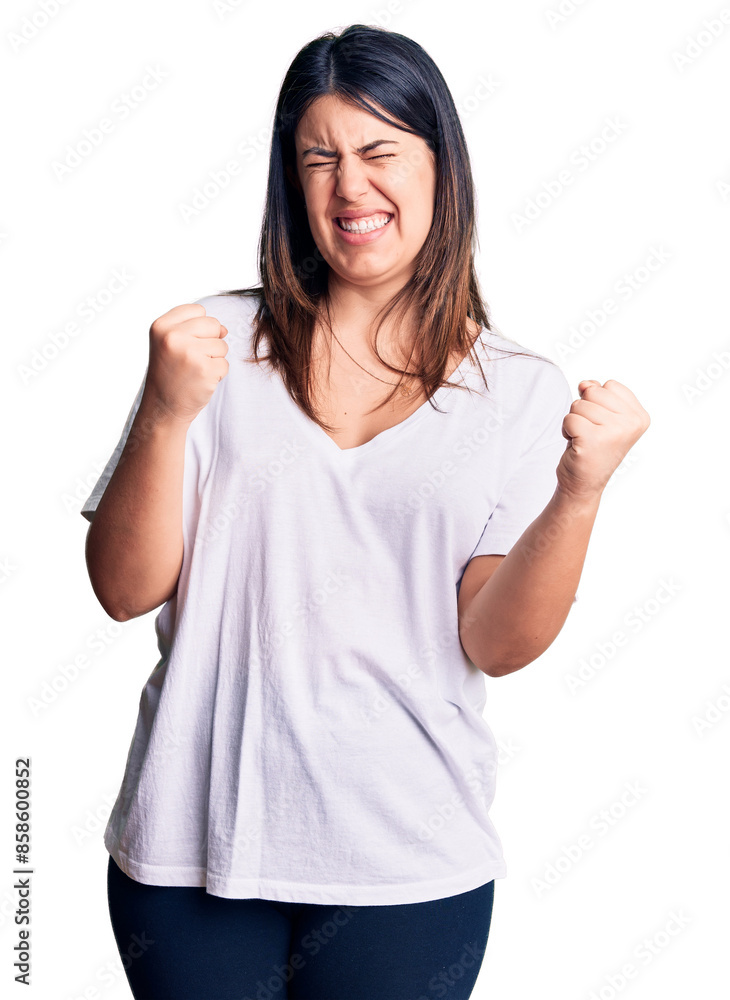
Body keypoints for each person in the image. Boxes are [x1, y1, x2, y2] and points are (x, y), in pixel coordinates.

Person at [81, 23, 650, 1000]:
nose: (350, 187)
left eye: (380, 151)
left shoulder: (515, 390)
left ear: (441, 167)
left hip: (408, 868)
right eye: (320, 158)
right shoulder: (209, 346)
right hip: (188, 852)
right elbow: (122, 591)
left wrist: (579, 492)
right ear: (290, 182)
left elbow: (496, 640)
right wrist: (169, 412)